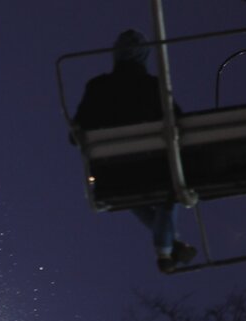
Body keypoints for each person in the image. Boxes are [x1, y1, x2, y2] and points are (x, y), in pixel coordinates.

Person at [73, 29, 197, 274]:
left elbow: (76, 133)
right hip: (157, 171)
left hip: (113, 176)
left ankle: (169, 247)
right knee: (170, 187)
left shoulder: (97, 88)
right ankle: (165, 251)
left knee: (132, 187)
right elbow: (180, 122)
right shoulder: (154, 88)